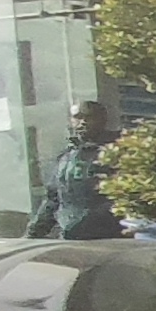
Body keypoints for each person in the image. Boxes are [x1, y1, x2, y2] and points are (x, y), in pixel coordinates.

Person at [25, 101, 126, 241]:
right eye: (78, 117)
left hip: (107, 237)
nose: (83, 122)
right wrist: (32, 234)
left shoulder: (116, 153)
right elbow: (53, 200)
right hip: (70, 236)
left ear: (103, 119)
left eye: (89, 117)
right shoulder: (67, 156)